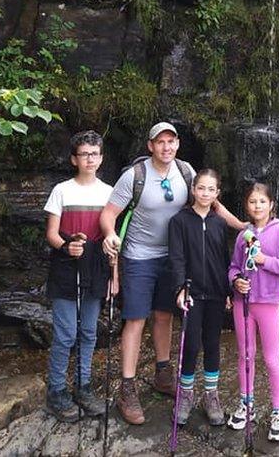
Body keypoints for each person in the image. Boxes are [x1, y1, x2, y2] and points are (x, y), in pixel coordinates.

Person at [100, 122, 242, 425]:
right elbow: (109, 214)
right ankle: (128, 388)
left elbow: (213, 204)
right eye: (160, 142)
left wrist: (243, 226)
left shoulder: (185, 171)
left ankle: (163, 373)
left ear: (177, 144)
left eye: (171, 141)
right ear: (150, 145)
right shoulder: (134, 176)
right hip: (139, 256)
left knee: (164, 314)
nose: (166, 147)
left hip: (176, 258)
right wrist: (111, 235)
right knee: (136, 319)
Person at [42, 130, 117, 422]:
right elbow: (51, 233)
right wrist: (66, 246)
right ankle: (57, 391)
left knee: (88, 331)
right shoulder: (62, 190)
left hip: (96, 267)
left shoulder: (109, 193)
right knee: (65, 334)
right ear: (74, 158)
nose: (90, 159)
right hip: (66, 266)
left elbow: (111, 239)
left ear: (101, 158)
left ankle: (83, 387)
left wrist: (115, 275)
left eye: (95, 154)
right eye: (84, 154)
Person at [227, 182, 279, 442]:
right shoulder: (242, 235)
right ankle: (247, 404)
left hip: (268, 303)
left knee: (271, 357)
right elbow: (234, 266)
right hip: (243, 303)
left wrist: (264, 261)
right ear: (246, 206)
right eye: (252, 202)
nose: (257, 206)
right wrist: (236, 281)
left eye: (261, 201)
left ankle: (278, 412)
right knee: (245, 355)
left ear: (271, 205)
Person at [168, 169, 231, 427]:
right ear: (193, 190)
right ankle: (185, 394)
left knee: (213, 343)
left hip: (216, 293)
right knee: (191, 343)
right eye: (201, 188)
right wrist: (180, 288)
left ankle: (211, 395)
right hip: (192, 293)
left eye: (210, 189)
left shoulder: (219, 223)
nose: (205, 193)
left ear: (217, 194)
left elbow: (225, 259)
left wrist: (228, 292)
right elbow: (176, 257)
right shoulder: (179, 221)